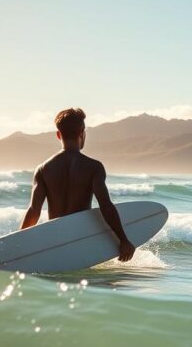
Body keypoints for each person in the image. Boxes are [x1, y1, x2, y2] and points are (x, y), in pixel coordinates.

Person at [20, 108, 136, 261]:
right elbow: (105, 205)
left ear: (58, 135)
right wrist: (123, 240)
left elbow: (34, 211)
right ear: (82, 132)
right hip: (81, 237)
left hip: (55, 238)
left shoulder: (43, 169)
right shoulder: (93, 167)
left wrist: (19, 245)